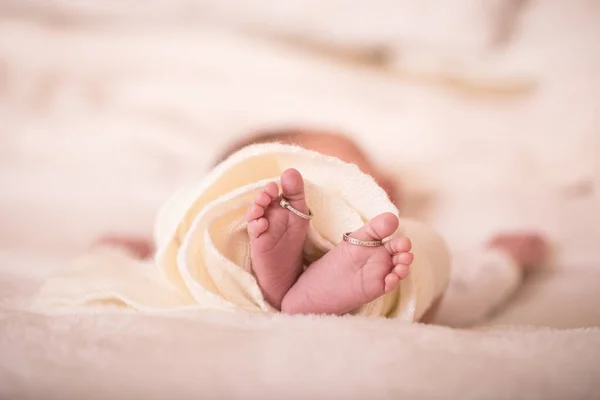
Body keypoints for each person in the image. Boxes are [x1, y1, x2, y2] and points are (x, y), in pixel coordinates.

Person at [99, 129, 547, 324]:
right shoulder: (397, 237)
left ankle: (285, 284)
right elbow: (470, 289)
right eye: (352, 170)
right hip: (369, 275)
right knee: (430, 259)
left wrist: (158, 248)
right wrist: (504, 258)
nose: (383, 178)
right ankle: (299, 284)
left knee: (197, 264)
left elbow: (175, 262)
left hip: (257, 276)